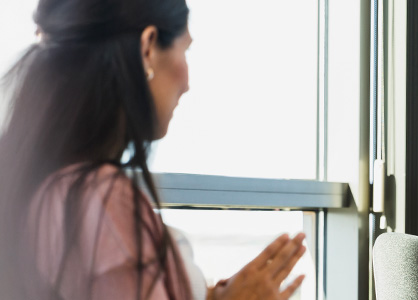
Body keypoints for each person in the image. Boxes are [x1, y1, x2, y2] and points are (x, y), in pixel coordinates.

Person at [0, 0, 307, 299]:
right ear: (147, 48)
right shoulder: (101, 202)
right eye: (184, 50)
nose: (186, 82)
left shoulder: (39, 183)